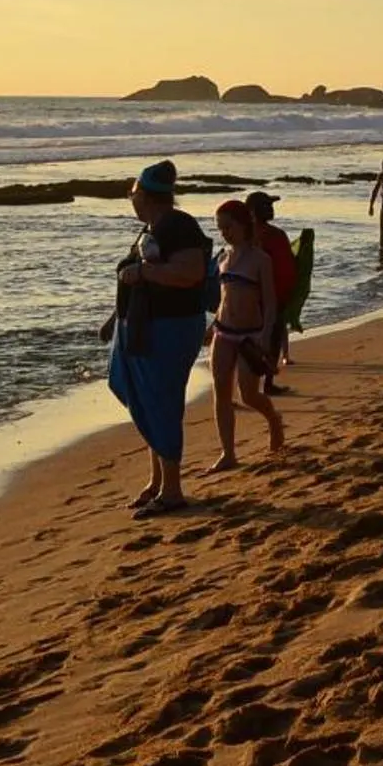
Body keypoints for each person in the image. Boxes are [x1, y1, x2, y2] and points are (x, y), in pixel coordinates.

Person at [103, 159, 209, 516]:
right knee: (139, 396)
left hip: (169, 327)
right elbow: (137, 281)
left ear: (146, 195)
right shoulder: (153, 226)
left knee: (160, 402)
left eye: (132, 193)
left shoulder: (179, 225)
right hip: (142, 325)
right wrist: (114, 318)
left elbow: (190, 272)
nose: (130, 199)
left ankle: (172, 490)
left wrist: (143, 272)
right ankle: (156, 481)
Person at [206, 202, 283, 471]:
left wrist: (266, 335)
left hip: (250, 335)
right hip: (223, 332)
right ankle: (228, 453)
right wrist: (211, 326)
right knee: (221, 393)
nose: (225, 233)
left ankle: (273, 419)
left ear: (244, 224)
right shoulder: (222, 258)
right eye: (220, 228)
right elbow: (224, 299)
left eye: (229, 226)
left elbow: (270, 303)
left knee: (249, 395)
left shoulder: (260, 260)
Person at [243, 191, 297, 386]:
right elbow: (287, 267)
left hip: (251, 298)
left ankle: (253, 384)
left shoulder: (245, 236)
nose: (271, 209)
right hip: (271, 298)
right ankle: (267, 383)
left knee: (246, 340)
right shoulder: (275, 235)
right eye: (267, 206)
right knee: (271, 339)